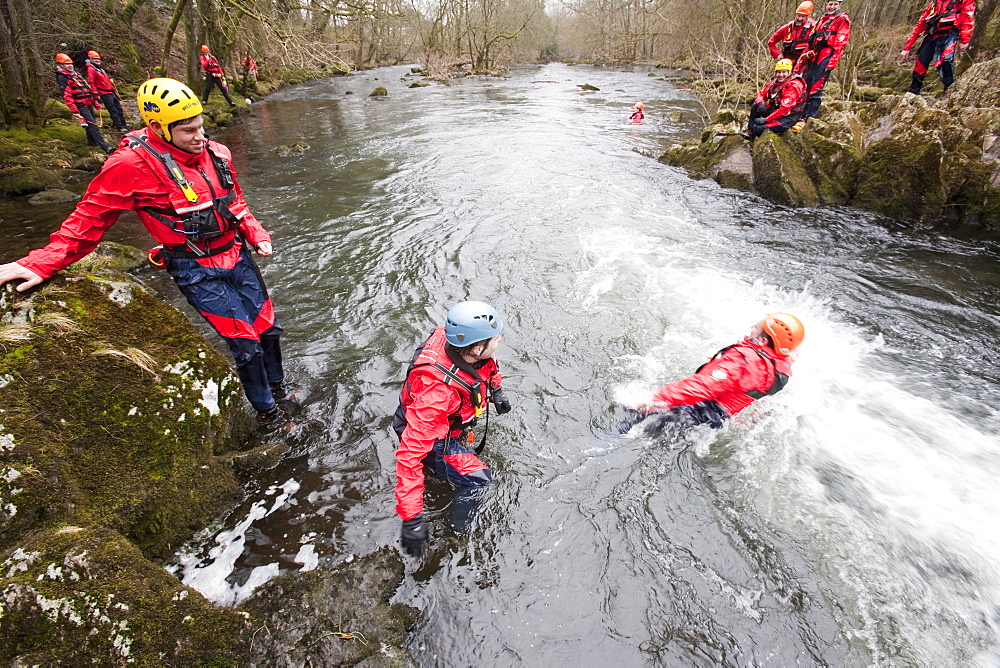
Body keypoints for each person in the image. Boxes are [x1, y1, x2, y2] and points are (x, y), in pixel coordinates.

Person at [0, 78, 289, 430]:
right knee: (246, 345)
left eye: (201, 126)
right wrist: (38, 263)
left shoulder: (218, 154)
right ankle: (267, 412)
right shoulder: (129, 166)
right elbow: (87, 221)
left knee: (268, 330)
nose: (201, 137)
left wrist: (256, 233)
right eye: (188, 130)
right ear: (156, 127)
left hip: (237, 256)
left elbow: (236, 202)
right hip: (194, 267)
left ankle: (281, 390)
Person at [392, 301, 513, 557]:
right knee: (479, 482)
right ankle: (456, 535)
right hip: (432, 436)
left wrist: (497, 390)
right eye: (496, 338)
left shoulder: (459, 344)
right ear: (477, 347)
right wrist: (411, 517)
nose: (500, 339)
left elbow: (485, 365)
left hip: (442, 423)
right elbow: (409, 454)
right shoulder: (437, 394)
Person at [626, 313, 805, 432]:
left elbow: (700, 388)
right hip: (719, 420)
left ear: (764, 340)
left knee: (626, 423)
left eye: (756, 327)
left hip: (696, 414)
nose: (752, 327)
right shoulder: (781, 366)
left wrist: (651, 400)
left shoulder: (742, 361)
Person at [899, 0, 976, 95]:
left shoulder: (963, 1)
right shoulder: (934, 3)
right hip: (932, 35)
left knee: (945, 62)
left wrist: (964, 40)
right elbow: (921, 23)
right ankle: (913, 92)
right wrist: (907, 47)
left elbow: (967, 18)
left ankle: (949, 93)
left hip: (949, 34)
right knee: (921, 61)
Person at [794, 0, 850, 128]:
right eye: (830, 4)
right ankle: (800, 114)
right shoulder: (821, 19)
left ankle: (810, 117)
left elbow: (840, 43)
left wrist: (833, 60)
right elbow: (811, 40)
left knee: (816, 87)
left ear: (839, 5)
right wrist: (803, 59)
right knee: (805, 84)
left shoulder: (842, 19)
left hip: (826, 56)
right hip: (813, 55)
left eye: (835, 4)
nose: (832, 7)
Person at [54, 53, 113, 155]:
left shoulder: (75, 74)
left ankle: (92, 143)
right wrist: (75, 111)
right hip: (80, 104)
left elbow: (88, 90)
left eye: (71, 64)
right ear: (61, 65)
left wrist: (96, 104)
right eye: (67, 64)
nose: (70, 66)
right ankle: (105, 147)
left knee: (91, 124)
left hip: (88, 102)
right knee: (93, 125)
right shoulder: (62, 77)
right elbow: (67, 95)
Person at [748, 59, 808, 139]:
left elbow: (785, 108)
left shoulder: (793, 85)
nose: (781, 75)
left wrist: (766, 120)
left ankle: (757, 133)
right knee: (756, 105)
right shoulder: (774, 82)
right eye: (779, 72)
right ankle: (751, 133)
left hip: (790, 117)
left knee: (758, 128)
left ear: (789, 72)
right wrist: (760, 102)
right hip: (777, 112)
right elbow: (761, 94)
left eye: (784, 72)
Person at [84, 50, 128, 132]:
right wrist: (96, 94)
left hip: (110, 91)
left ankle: (123, 123)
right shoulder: (91, 69)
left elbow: (106, 80)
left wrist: (113, 89)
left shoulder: (100, 69)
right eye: (95, 59)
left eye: (98, 59)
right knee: (113, 110)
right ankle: (119, 127)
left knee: (119, 108)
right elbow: (91, 82)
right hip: (103, 93)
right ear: (90, 59)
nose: (97, 60)